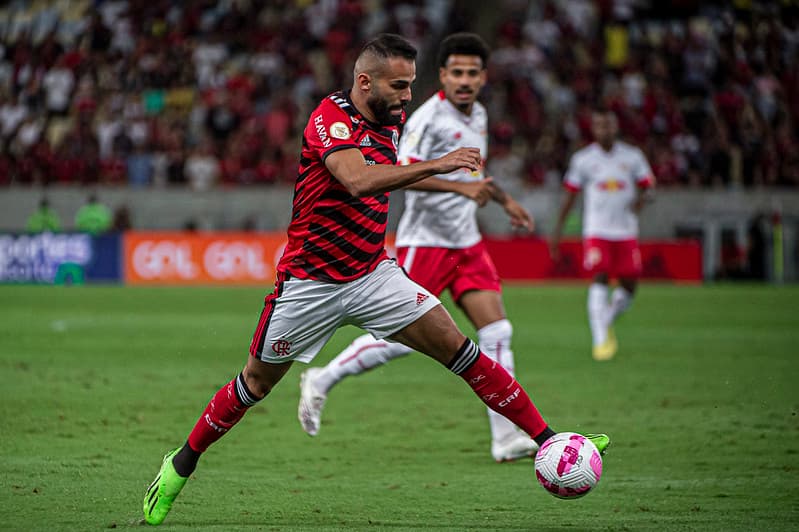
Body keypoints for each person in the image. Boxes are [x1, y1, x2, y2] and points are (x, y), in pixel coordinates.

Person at [143, 34, 609, 526]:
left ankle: (551, 440)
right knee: (254, 384)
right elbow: (359, 178)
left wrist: (462, 185)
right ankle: (180, 464)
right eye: (400, 86)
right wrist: (441, 164)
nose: (408, 96)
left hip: (372, 273)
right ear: (365, 82)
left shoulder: (391, 116)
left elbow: (395, 169)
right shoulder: (329, 118)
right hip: (309, 283)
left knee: (463, 349)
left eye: (410, 85)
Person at [297, 33, 539, 463]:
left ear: (484, 77)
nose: (465, 81)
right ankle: (322, 376)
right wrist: (457, 189)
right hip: (425, 240)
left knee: (498, 331)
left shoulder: (478, 114)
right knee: (404, 340)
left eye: (473, 73)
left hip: (466, 241)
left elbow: (474, 173)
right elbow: (397, 170)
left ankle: (505, 437)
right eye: (456, 73)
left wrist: (505, 201)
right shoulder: (425, 118)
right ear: (443, 76)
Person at [550, 107, 655, 361]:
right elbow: (570, 196)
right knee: (600, 276)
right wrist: (557, 231)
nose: (604, 130)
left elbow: (648, 186)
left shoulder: (632, 157)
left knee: (629, 285)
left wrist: (641, 202)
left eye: (608, 125)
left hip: (626, 231)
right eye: (599, 125)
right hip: (596, 230)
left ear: (615, 127)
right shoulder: (583, 159)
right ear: (593, 128)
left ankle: (605, 319)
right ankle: (600, 341)